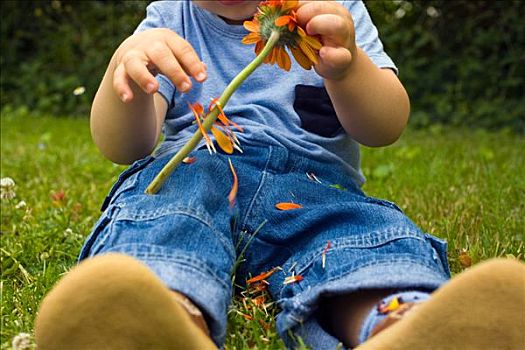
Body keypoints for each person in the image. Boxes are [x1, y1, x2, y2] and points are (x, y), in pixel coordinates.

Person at [35, 1, 524, 349]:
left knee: (356, 238)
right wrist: (128, 73)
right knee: (166, 219)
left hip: (314, 189)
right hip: (196, 172)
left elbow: (385, 127)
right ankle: (160, 313)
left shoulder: (333, 12)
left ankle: (400, 322)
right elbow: (124, 147)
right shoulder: (168, 19)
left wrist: (348, 69)